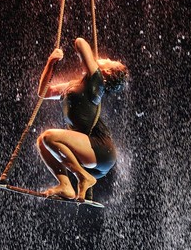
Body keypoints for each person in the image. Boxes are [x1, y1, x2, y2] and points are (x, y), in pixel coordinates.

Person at [36, 37, 128, 201]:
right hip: (89, 155)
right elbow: (44, 92)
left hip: (100, 149)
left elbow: (80, 43)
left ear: (106, 72)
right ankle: (66, 185)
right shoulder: (74, 86)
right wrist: (51, 62)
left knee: (49, 137)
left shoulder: (97, 83)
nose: (105, 58)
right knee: (42, 142)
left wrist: (94, 63)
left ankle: (83, 177)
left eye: (109, 61)